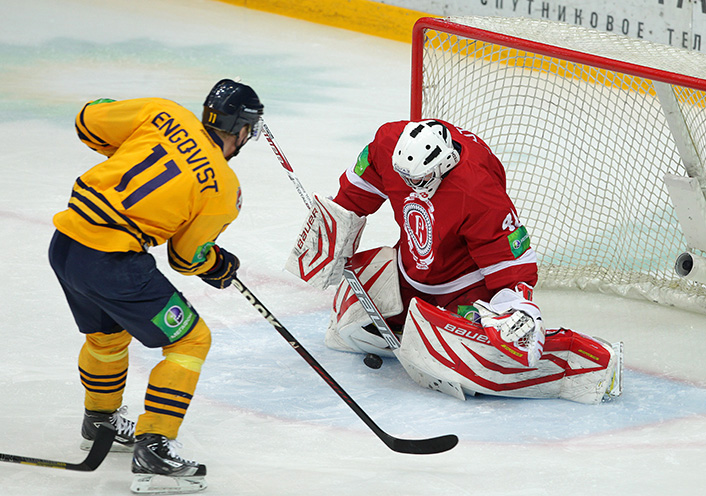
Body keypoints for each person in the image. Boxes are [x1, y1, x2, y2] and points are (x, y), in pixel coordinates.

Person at [286, 119, 622, 404]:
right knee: (346, 330)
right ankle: (415, 330)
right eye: (403, 177)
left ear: (444, 164)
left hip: (465, 287)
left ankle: (577, 359)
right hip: (409, 270)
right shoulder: (388, 144)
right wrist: (335, 225)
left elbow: (508, 263)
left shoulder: (478, 189)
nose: (408, 186)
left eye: (417, 181)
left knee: (478, 363)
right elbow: (359, 188)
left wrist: (517, 308)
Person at [48, 79, 263, 494]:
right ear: (241, 129)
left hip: (66, 245)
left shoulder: (163, 113)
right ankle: (155, 446)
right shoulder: (223, 188)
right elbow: (186, 258)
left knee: (107, 336)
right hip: (112, 264)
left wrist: (129, 146)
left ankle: (100, 421)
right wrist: (218, 265)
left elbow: (88, 120)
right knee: (191, 341)